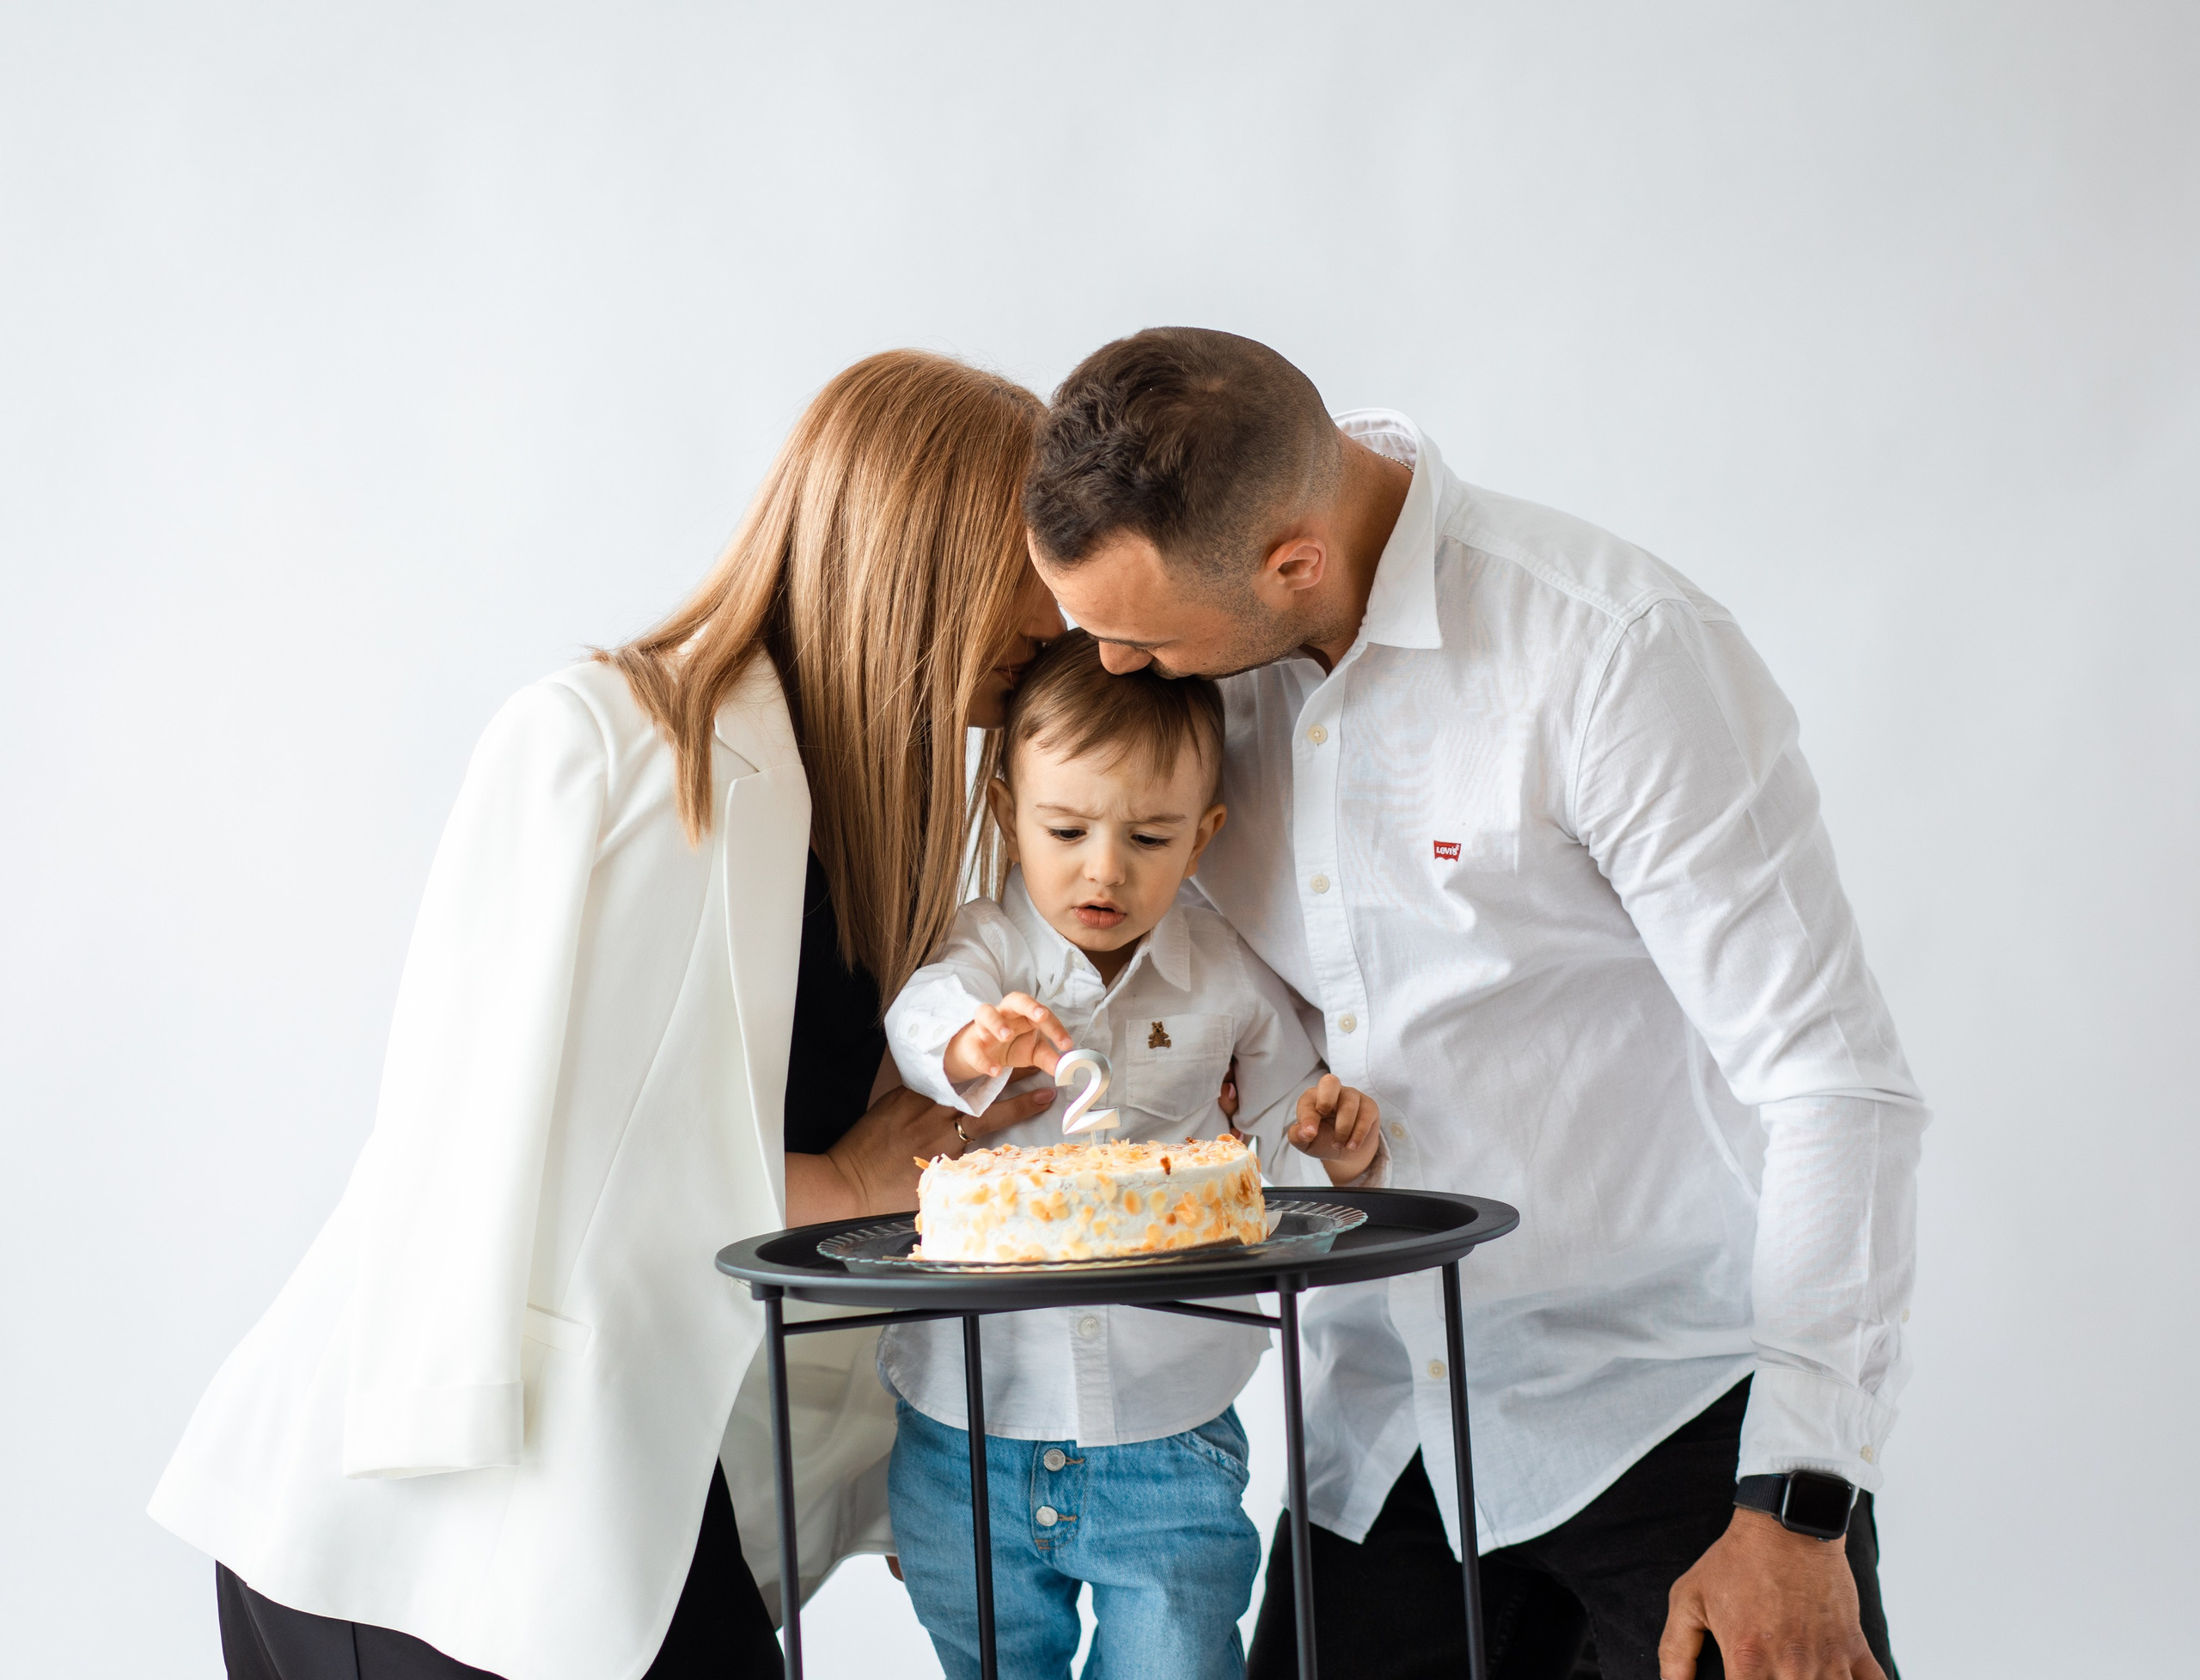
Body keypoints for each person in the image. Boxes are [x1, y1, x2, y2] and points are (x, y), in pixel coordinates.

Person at [149, 350, 1068, 1680]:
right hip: (431, 1500)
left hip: (619, 1497)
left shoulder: (886, 847)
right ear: (923, 550)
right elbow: (496, 1130)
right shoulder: (611, 744)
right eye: (1028, 570)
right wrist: (839, 1183)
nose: (1054, 613)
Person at [1022, 328, 1926, 1680]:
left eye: (1136, 635)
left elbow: (1833, 1078)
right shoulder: (1199, 682)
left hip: (1673, 1421)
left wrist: (1800, 1504)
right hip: (1380, 1430)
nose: (1105, 659)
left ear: (1293, 565)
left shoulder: (1612, 651)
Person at [877, 631, 1383, 1680]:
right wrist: (969, 1042)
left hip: (1168, 1427)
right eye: (1066, 828)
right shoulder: (987, 947)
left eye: (1149, 836)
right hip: (966, 1425)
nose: (1104, 868)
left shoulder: (1225, 971)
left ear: (1202, 838)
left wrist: (1331, 1150)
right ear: (1006, 809)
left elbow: (1278, 1133)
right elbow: (922, 1012)